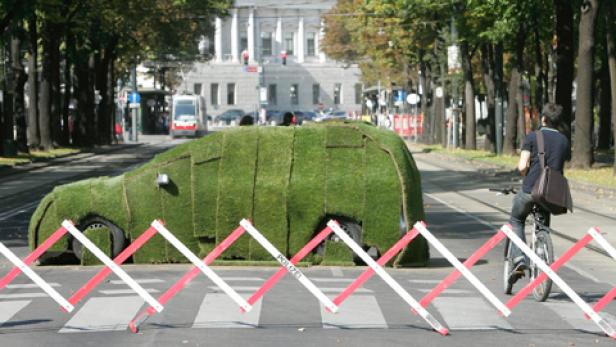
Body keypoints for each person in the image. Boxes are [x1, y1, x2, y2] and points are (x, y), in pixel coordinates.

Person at [508, 103, 571, 284]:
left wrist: (524, 173)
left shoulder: (532, 137)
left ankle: (519, 258)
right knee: (542, 225)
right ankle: (543, 251)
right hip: (551, 193)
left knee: (516, 220)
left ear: (543, 118)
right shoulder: (564, 141)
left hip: (530, 189)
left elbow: (522, 166)